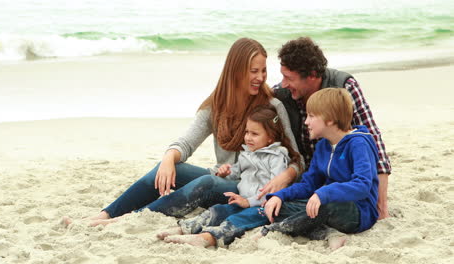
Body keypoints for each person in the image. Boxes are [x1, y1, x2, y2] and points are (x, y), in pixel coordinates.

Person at [64, 38, 303, 227]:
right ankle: (106, 214)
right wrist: (168, 158)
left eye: (263, 71)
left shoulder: (272, 106)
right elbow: (186, 142)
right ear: (236, 70)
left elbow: (296, 159)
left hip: (249, 189)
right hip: (223, 177)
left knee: (207, 182)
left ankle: (132, 218)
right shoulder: (216, 105)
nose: (260, 77)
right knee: (167, 168)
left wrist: (284, 177)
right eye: (254, 71)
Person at [262, 37, 391, 219]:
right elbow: (255, 122)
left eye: (289, 78)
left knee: (326, 210)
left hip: (346, 187)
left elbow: (374, 142)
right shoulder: (282, 94)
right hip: (309, 177)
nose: (283, 84)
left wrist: (381, 206)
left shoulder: (343, 88)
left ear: (313, 75)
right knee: (279, 207)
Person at [157, 105, 303, 247]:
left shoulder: (276, 158)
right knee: (219, 209)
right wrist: (227, 172)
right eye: (247, 132)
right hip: (242, 201)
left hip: (263, 206)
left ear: (270, 138)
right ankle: (185, 228)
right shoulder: (247, 154)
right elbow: (237, 172)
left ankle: (207, 238)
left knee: (238, 219)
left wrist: (249, 202)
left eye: (255, 134)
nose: (248, 138)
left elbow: (273, 192)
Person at [261, 88, 380, 249]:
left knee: (326, 206)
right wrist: (279, 196)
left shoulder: (359, 144)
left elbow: (362, 185)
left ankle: (273, 231)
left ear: (329, 119)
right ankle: (329, 234)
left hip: (358, 211)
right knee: (276, 208)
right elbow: (308, 185)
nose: (306, 122)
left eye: (311, 116)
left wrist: (324, 193)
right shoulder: (323, 145)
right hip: (327, 206)